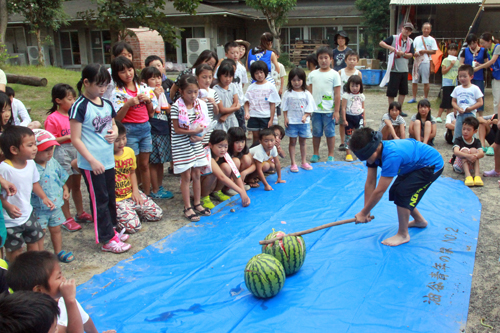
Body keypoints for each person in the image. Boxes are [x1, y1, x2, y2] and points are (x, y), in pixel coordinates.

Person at [69, 63, 131, 254]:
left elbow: (112, 124)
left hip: (108, 160)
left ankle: (111, 230)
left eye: (105, 86)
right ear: (86, 83)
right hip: (92, 163)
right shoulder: (79, 106)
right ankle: (105, 239)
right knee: (100, 200)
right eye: (99, 85)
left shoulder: (107, 104)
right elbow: (75, 138)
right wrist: (91, 160)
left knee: (110, 197)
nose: (103, 90)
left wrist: (113, 133)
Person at [351, 127, 444, 247]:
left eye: (366, 158)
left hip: (431, 165)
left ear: (373, 151)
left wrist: (363, 213)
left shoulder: (391, 156)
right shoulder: (374, 151)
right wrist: (366, 210)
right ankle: (420, 221)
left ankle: (403, 234)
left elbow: (379, 191)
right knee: (395, 192)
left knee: (403, 193)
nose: (367, 161)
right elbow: (370, 182)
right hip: (413, 165)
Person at [6, 251, 116, 333]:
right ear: (39, 290)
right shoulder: (37, 319)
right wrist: (70, 301)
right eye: (59, 277)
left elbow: (84, 320)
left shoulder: (62, 299)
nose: (64, 279)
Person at [0, 126, 54, 262]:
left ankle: (34, 270)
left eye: (35, 144)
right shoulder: (4, 169)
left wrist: (44, 197)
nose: (35, 148)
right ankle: (14, 276)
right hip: (10, 221)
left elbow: (34, 183)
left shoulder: (30, 164)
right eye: (30, 145)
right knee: (15, 250)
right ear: (14, 150)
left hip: (28, 214)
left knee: (35, 243)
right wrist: (7, 205)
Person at [45, 83, 92, 232]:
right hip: (62, 152)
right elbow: (50, 140)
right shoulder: (52, 118)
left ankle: (80, 212)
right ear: (58, 100)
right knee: (65, 187)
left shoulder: (75, 115)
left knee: (78, 184)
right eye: (69, 99)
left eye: (74, 98)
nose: (73, 102)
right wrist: (68, 136)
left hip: (76, 150)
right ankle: (66, 218)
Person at [111, 56, 157, 197]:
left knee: (144, 164)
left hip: (145, 128)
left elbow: (151, 113)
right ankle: (132, 194)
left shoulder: (143, 88)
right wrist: (128, 104)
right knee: (132, 165)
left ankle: (147, 194)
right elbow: (117, 118)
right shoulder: (117, 92)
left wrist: (148, 101)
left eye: (130, 70)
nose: (128, 74)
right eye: (123, 71)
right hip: (129, 129)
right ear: (116, 74)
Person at [170, 75, 210, 222]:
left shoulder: (198, 105)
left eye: (195, 92)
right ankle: (187, 207)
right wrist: (193, 132)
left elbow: (203, 123)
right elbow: (177, 129)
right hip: (181, 145)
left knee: (197, 174)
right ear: (181, 91)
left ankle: (197, 203)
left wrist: (200, 135)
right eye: (189, 92)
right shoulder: (176, 107)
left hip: (195, 143)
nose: (193, 95)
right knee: (186, 176)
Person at [32, 129, 73, 263]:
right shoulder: (31, 167)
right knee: (40, 233)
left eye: (51, 148)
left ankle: (58, 252)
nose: (50, 152)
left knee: (56, 229)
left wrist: (65, 188)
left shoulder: (53, 162)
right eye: (45, 149)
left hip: (56, 204)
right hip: (38, 207)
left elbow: (60, 177)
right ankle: (40, 257)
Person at [114, 121, 163, 233]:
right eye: (117, 140)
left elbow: (132, 172)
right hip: (117, 199)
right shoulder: (106, 157)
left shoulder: (129, 151)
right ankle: (119, 216)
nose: (121, 142)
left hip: (130, 193)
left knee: (156, 214)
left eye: (124, 138)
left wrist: (135, 191)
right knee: (133, 227)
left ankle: (130, 212)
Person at [140, 66, 174, 199]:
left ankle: (159, 187)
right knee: (153, 162)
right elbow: (150, 112)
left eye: (158, 77)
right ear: (145, 81)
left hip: (164, 130)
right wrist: (155, 96)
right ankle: (154, 189)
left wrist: (162, 98)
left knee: (161, 162)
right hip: (153, 131)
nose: (157, 81)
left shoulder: (163, 93)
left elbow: (169, 109)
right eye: (152, 78)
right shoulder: (146, 94)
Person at [307, 47, 342, 162]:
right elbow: (309, 93)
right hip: (316, 111)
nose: (323, 60)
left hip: (329, 111)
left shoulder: (335, 74)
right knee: (316, 132)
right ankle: (315, 153)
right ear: (317, 60)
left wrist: (336, 111)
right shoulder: (312, 74)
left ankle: (330, 155)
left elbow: (337, 94)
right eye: (320, 58)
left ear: (331, 59)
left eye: (326, 58)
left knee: (330, 133)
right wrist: (308, 109)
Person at [200, 130, 251, 209]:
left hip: (211, 183)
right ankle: (204, 197)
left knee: (226, 167)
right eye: (220, 146)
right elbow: (221, 177)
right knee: (212, 172)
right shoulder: (207, 154)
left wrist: (244, 193)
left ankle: (217, 191)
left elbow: (235, 173)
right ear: (210, 145)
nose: (223, 149)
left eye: (225, 146)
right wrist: (240, 191)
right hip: (200, 185)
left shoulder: (225, 154)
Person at [282, 67, 314, 172]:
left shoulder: (306, 93)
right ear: (290, 80)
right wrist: (285, 118)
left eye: (299, 80)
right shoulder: (287, 93)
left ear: (303, 80)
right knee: (292, 142)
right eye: (294, 80)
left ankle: (304, 162)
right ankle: (293, 163)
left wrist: (305, 116)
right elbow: (284, 107)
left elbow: (311, 107)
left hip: (303, 123)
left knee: (303, 142)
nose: (296, 82)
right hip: (292, 122)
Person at [379, 22, 415, 114]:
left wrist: (403, 54)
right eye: (406, 29)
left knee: (403, 91)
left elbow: (411, 54)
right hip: (394, 69)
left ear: (410, 32)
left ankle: (399, 109)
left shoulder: (410, 41)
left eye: (409, 30)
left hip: (404, 69)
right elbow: (381, 43)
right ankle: (391, 109)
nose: (407, 31)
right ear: (402, 28)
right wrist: (391, 48)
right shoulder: (394, 38)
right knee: (391, 91)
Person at [244, 60, 281, 146]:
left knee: (266, 137)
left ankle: (268, 156)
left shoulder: (270, 86)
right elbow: (246, 101)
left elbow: (272, 104)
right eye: (256, 73)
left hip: (266, 116)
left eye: (261, 72)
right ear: (253, 75)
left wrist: (271, 119)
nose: (259, 75)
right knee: (256, 137)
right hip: (254, 116)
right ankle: (255, 155)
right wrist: (247, 112)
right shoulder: (251, 87)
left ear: (265, 72)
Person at [214, 42, 248, 131]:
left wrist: (235, 107)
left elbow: (242, 84)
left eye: (237, 52)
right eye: (232, 53)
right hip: (225, 106)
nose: (235, 55)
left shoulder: (242, 68)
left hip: (238, 101)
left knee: (239, 129)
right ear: (226, 54)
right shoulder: (221, 67)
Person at [451, 65, 484, 142]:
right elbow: (453, 101)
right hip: (460, 114)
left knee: (470, 131)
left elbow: (480, 102)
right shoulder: (457, 88)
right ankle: (457, 146)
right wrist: (458, 108)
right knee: (458, 131)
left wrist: (470, 108)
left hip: (471, 114)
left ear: (471, 77)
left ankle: (472, 145)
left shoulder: (475, 88)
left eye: (465, 76)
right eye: (460, 76)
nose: (462, 78)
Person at [338, 50, 362, 151]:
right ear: (345, 60)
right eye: (349, 59)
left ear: (357, 61)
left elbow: (360, 87)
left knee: (355, 123)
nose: (352, 61)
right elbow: (337, 86)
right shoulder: (340, 72)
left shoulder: (358, 73)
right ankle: (343, 142)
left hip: (354, 101)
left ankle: (354, 141)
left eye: (354, 59)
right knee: (343, 122)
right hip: (341, 99)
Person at [409, 22, 438, 103]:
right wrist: (414, 53)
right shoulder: (417, 38)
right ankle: (414, 97)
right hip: (417, 60)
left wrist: (425, 51)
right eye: (424, 28)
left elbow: (434, 51)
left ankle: (425, 98)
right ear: (422, 29)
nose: (426, 30)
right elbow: (413, 49)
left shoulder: (432, 40)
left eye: (427, 29)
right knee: (414, 80)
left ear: (430, 30)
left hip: (426, 61)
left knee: (426, 81)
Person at [460, 34, 488, 115]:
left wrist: (479, 65)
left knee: (479, 95)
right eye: (470, 44)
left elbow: (487, 63)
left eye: (474, 43)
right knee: (469, 94)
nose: (473, 45)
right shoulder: (465, 51)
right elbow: (461, 62)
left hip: (479, 76)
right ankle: (469, 112)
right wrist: (467, 68)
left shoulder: (483, 50)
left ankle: (480, 115)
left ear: (477, 42)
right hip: (468, 76)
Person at [452, 116, 484, 186]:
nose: (465, 132)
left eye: (468, 130)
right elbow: (456, 152)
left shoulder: (476, 141)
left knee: (474, 150)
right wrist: (468, 156)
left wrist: (474, 155)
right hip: (459, 166)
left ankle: (477, 175)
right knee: (464, 150)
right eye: (464, 129)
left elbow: (481, 153)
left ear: (475, 131)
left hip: (471, 166)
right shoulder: (459, 140)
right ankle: (468, 176)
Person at [196, 63, 221, 145]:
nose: (207, 80)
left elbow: (216, 112)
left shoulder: (213, 92)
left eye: (210, 77)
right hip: (196, 128)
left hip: (209, 129)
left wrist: (214, 104)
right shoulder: (194, 93)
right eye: (204, 77)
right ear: (197, 77)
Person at [342, 75, 365, 161]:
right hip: (349, 117)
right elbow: (343, 108)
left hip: (359, 117)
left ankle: (359, 151)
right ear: (349, 86)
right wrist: (344, 119)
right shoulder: (346, 95)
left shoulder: (362, 96)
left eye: (357, 85)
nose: (354, 88)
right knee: (348, 135)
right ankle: (348, 153)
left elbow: (363, 108)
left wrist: (364, 119)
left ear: (360, 86)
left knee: (359, 135)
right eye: (352, 85)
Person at [213, 60, 240, 132]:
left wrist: (226, 115)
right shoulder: (216, 89)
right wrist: (235, 108)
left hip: (232, 119)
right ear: (219, 75)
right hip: (220, 121)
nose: (228, 79)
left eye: (230, 76)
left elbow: (236, 102)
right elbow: (221, 109)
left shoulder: (233, 86)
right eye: (225, 76)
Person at [437, 43, 460, 122]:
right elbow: (443, 71)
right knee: (445, 99)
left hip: (454, 82)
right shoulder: (446, 60)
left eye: (454, 50)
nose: (452, 52)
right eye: (451, 50)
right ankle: (438, 115)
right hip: (447, 82)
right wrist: (450, 65)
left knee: (452, 99)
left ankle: (448, 115)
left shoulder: (458, 61)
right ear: (448, 51)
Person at [478, 32, 500, 115]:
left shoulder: (497, 47)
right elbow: (488, 64)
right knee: (496, 99)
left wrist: (479, 67)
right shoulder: (488, 50)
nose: (482, 45)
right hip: (496, 75)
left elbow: (493, 61)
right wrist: (479, 65)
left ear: (490, 41)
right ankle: (496, 117)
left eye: (483, 43)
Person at [271, 50, 286, 126]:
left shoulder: (280, 66)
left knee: (277, 106)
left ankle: (276, 121)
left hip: (277, 89)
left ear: (277, 56)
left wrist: (281, 88)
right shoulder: (268, 65)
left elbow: (282, 78)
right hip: (270, 90)